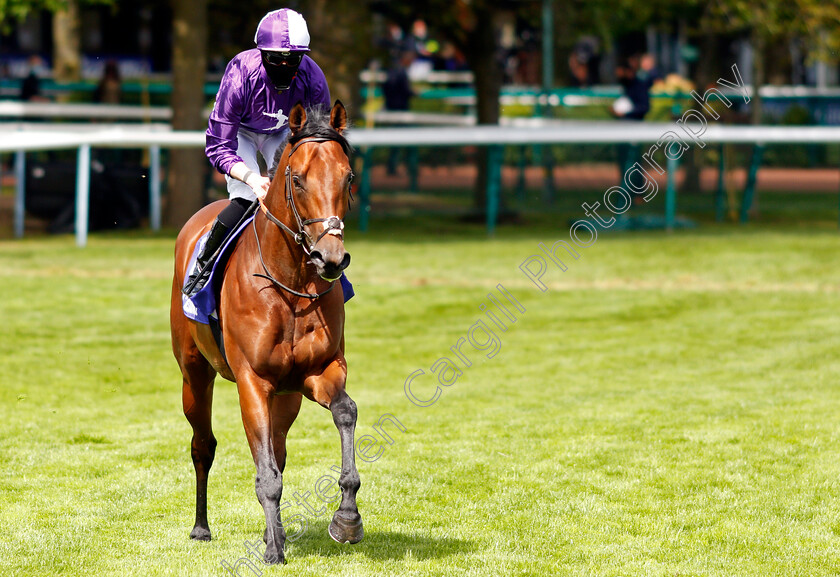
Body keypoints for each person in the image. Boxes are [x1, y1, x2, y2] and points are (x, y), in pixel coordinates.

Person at [185, 8, 331, 296]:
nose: (284, 66)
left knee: (301, 195)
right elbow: (218, 145)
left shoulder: (313, 78)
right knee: (249, 197)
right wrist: (252, 178)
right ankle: (203, 265)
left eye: (292, 60)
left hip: (284, 134)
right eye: (276, 59)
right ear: (261, 52)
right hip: (241, 133)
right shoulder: (240, 73)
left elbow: (319, 143)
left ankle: (332, 270)